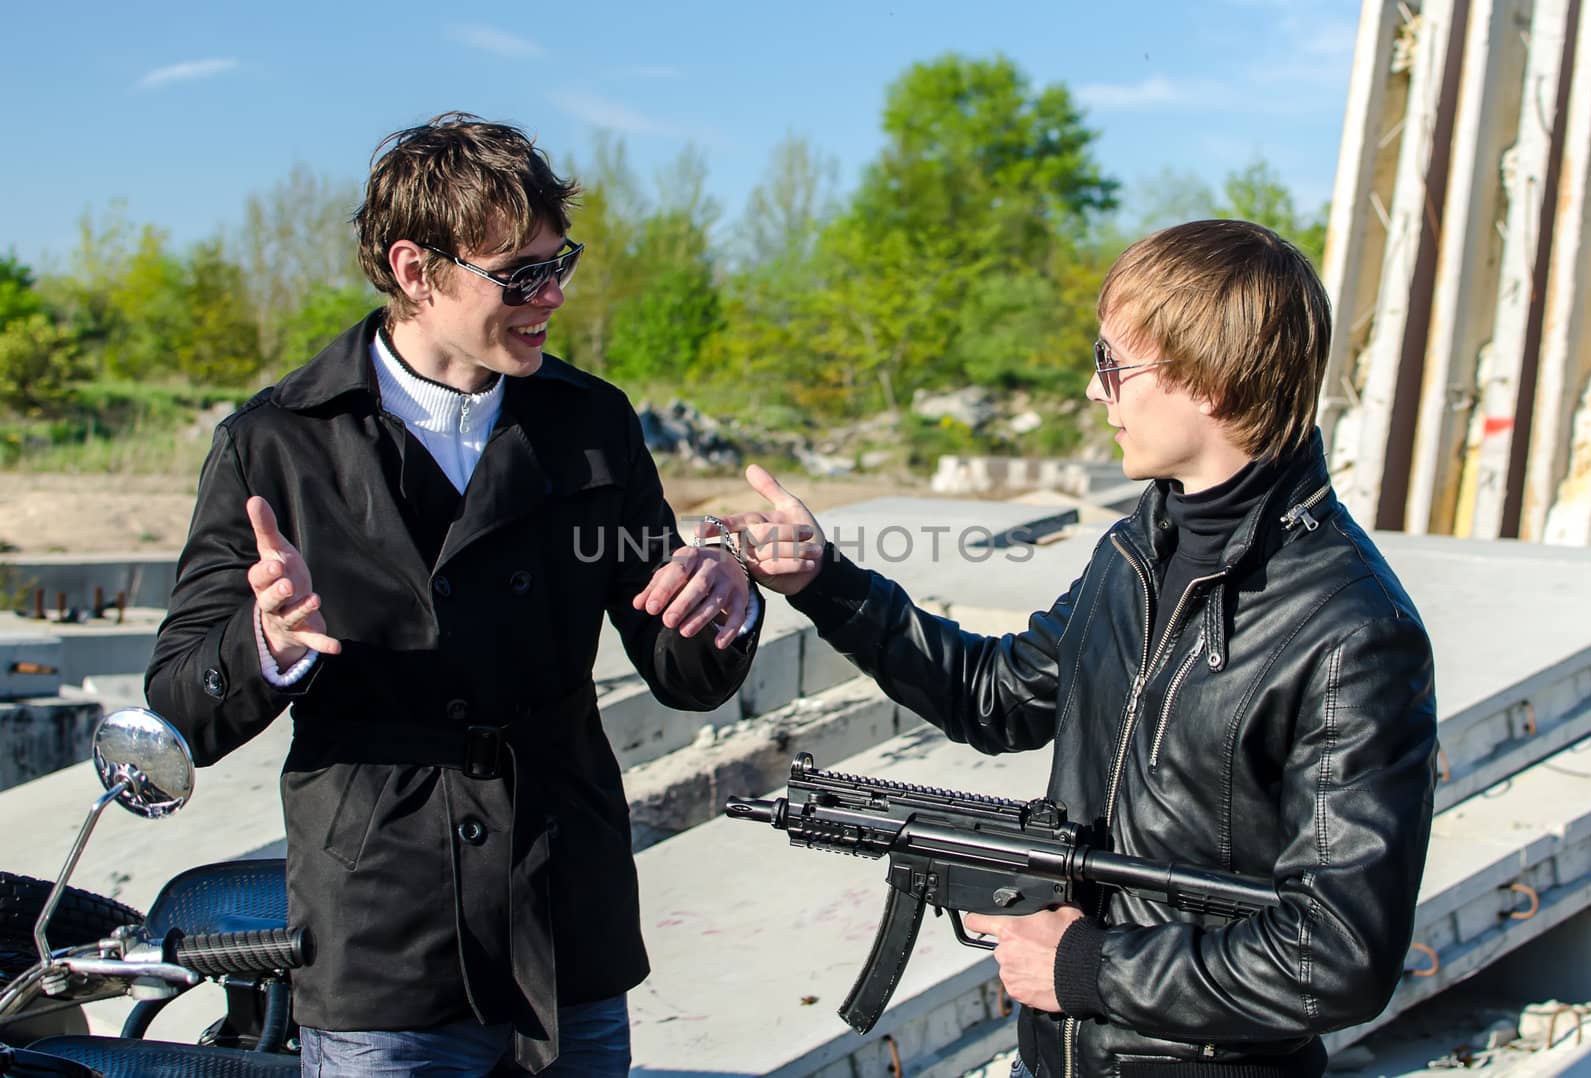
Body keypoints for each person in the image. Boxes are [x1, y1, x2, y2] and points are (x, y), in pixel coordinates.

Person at [728, 219, 1437, 1078]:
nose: (1095, 391)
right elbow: (992, 696)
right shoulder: (1138, 551)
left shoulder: (1353, 633)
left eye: (1113, 363)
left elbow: (1337, 957)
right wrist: (825, 583)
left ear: (1207, 380)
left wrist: (1086, 968)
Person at [146, 112, 769, 1077]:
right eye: (519, 274)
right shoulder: (277, 442)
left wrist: (726, 595)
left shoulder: (590, 421)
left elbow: (682, 671)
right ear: (415, 268)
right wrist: (268, 640)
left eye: (560, 264)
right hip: (384, 932)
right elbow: (181, 699)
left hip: (565, 910)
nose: (551, 296)